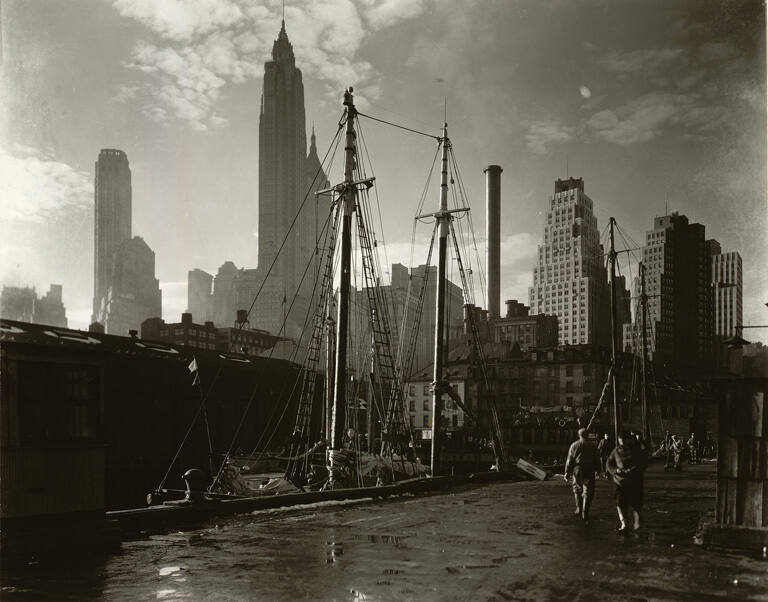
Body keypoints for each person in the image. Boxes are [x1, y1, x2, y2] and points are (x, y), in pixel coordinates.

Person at [606, 430, 648, 533]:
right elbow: (609, 463)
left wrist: (634, 469)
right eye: (621, 441)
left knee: (636, 504)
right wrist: (616, 470)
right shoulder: (615, 451)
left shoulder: (637, 450)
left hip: (634, 481)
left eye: (625, 440)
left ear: (629, 440)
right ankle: (624, 524)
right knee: (620, 504)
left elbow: (643, 463)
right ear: (619, 441)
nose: (623, 443)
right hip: (620, 482)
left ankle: (637, 524)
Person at [564, 428, 600, 521]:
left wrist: (567, 472)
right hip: (589, 469)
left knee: (577, 488)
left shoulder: (574, 445)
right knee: (588, 490)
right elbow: (597, 459)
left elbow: (569, 460)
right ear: (587, 435)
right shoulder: (593, 445)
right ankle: (585, 512)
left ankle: (578, 509)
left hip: (577, 469)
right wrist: (598, 470)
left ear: (579, 435)